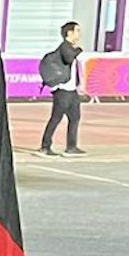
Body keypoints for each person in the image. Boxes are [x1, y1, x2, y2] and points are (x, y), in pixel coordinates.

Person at [38, 22, 86, 157]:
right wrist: (79, 50)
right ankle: (45, 147)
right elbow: (68, 58)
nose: (79, 34)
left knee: (75, 118)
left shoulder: (70, 47)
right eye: (77, 31)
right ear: (69, 33)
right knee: (56, 118)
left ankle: (71, 146)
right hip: (62, 90)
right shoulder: (65, 47)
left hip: (71, 90)